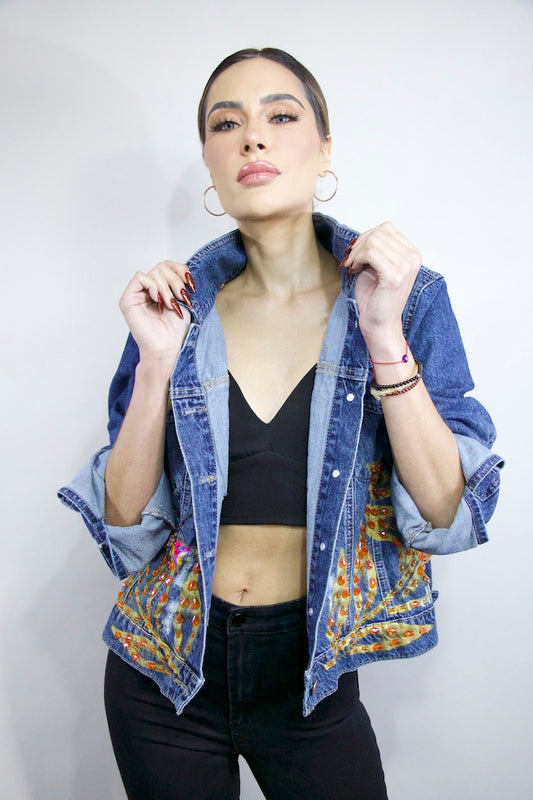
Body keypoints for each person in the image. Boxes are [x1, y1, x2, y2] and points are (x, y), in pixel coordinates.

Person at [58, 47, 502, 800]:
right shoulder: (174, 310)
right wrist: (157, 361)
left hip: (309, 674)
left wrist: (383, 333)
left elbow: (444, 512)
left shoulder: (409, 297)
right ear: (209, 159)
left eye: (281, 116)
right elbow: (126, 528)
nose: (252, 138)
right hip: (162, 666)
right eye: (225, 124)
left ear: (324, 147)